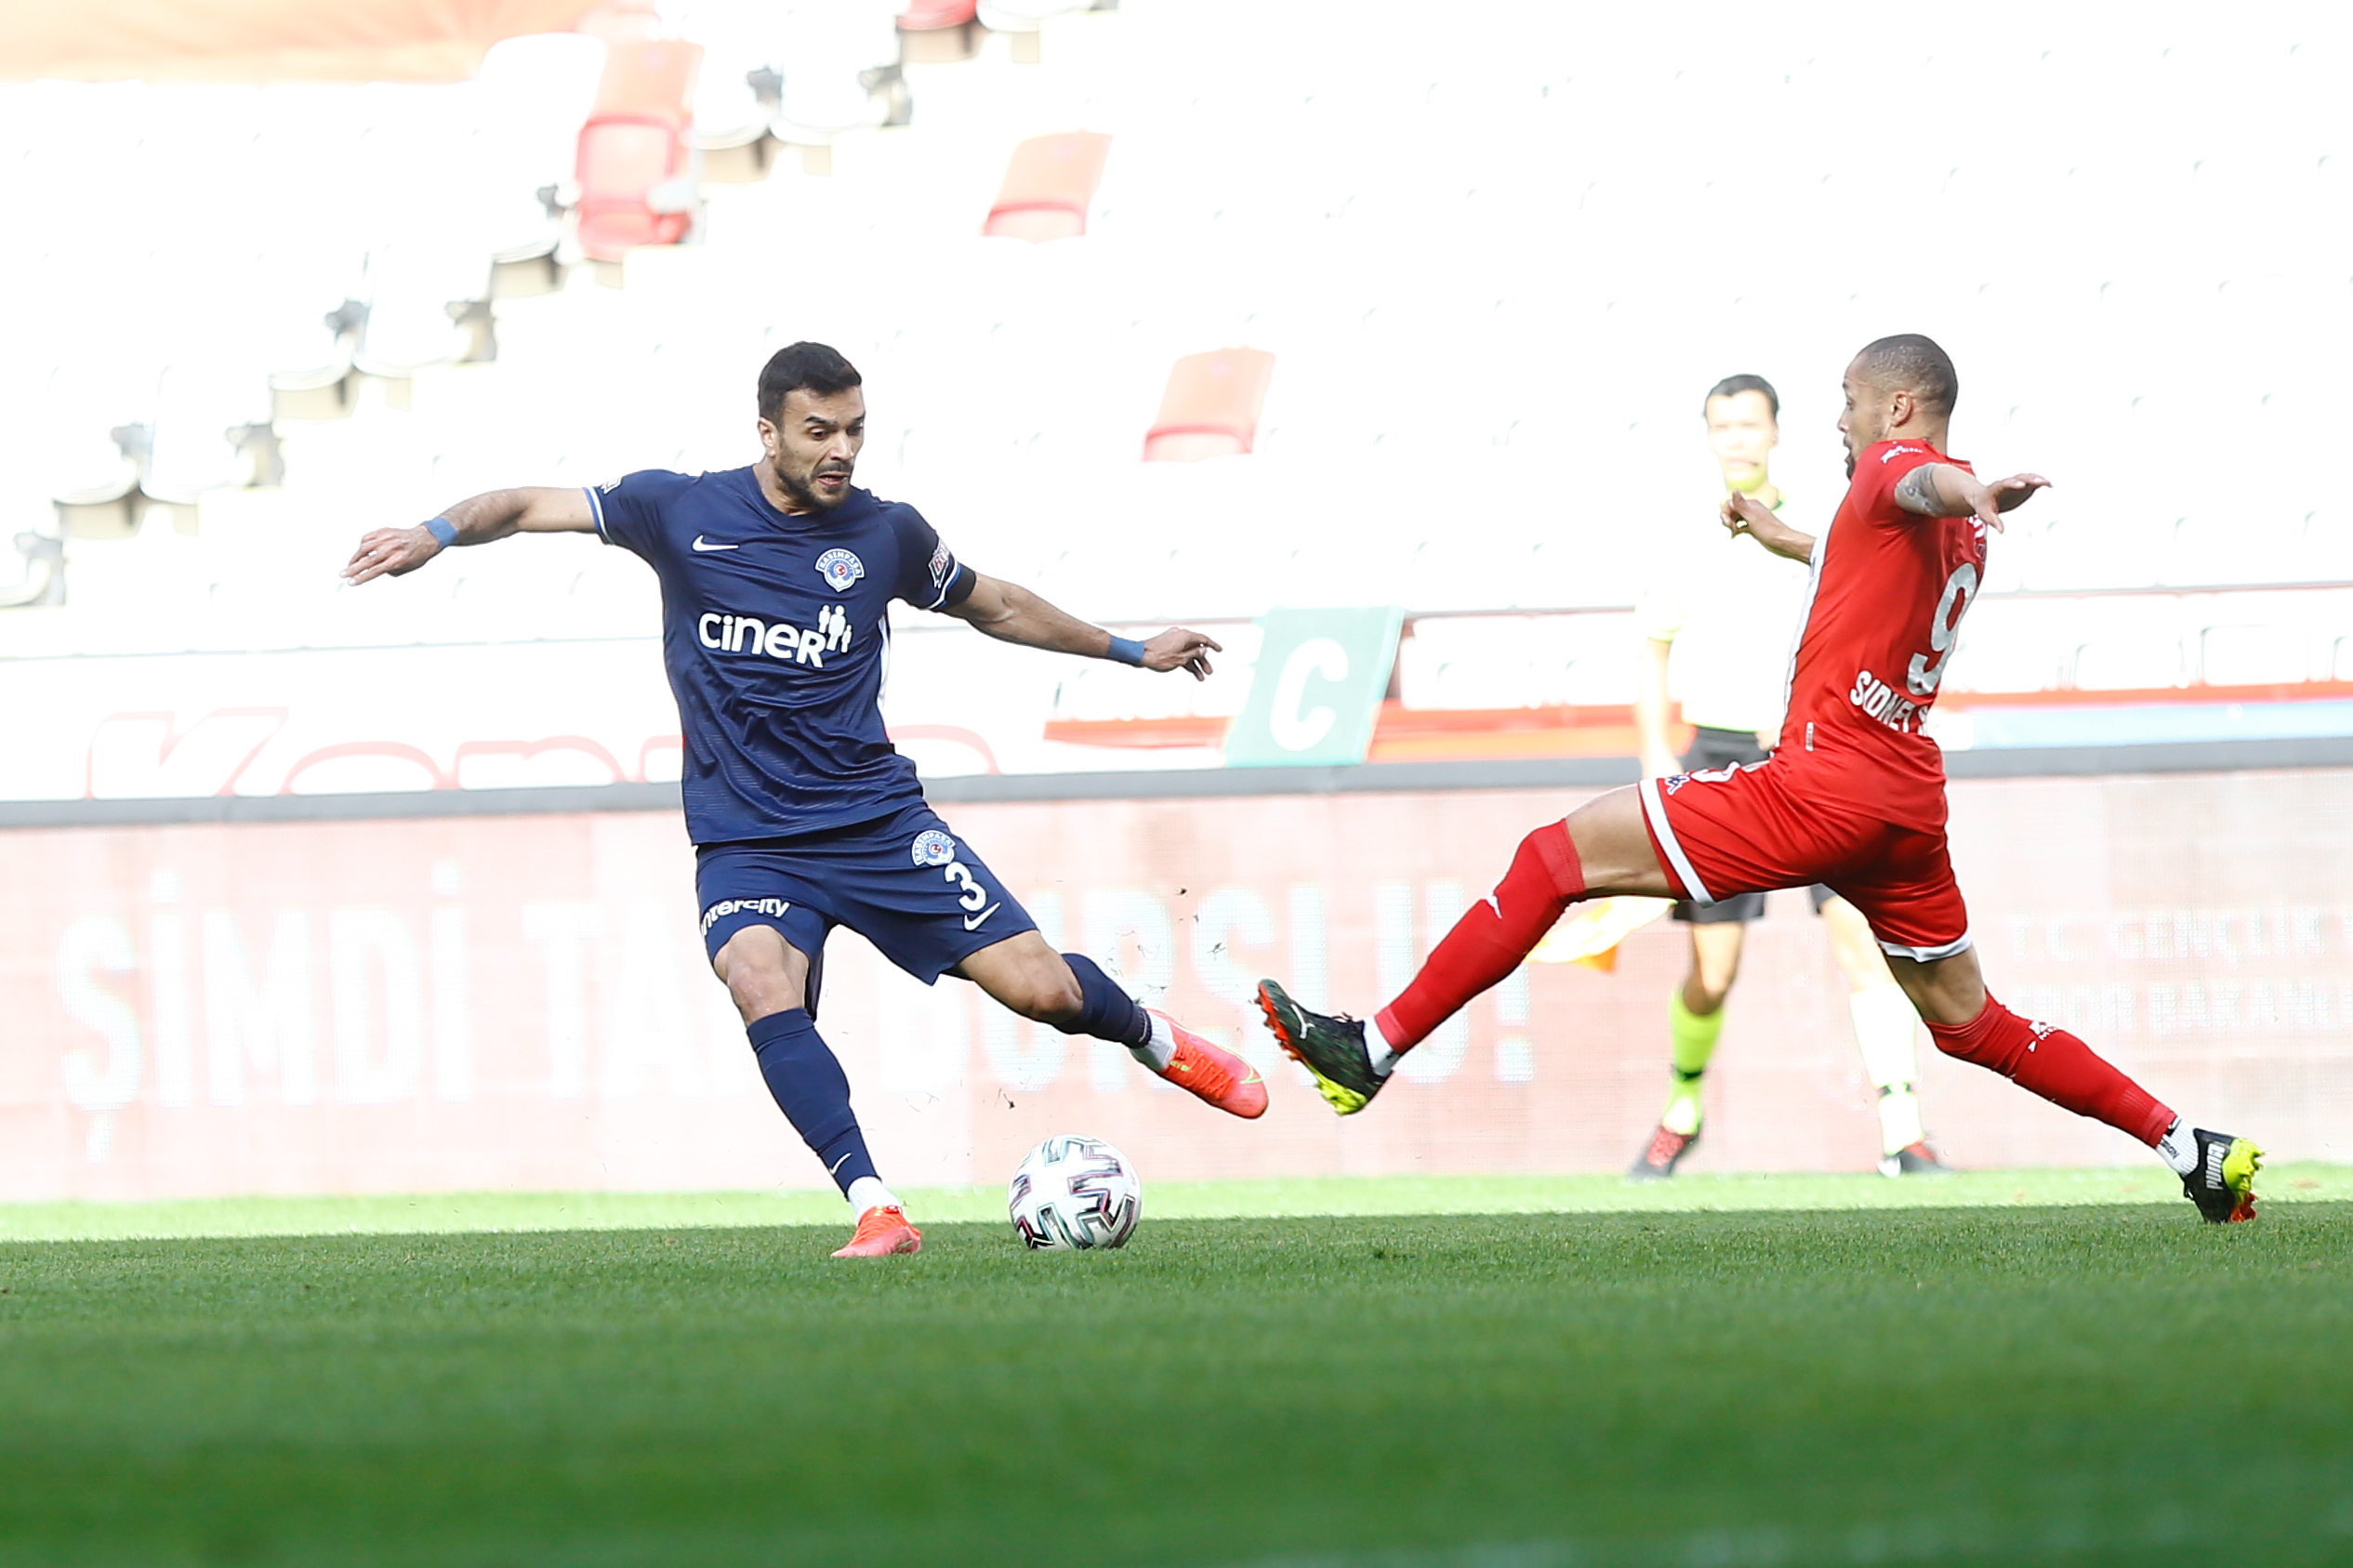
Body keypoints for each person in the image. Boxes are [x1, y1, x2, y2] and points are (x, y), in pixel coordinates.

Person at [1257, 335, 2263, 1222]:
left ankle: (1371, 1049)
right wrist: (1784, 537)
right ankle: (2190, 1147)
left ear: (1896, 407)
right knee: (1969, 1022)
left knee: (1552, 859)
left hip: (1818, 787)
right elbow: (1865, 549)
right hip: (1904, 803)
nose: (1838, 420)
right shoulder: (1944, 535)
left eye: (1847, 401)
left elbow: (1920, 482)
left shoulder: (1906, 475)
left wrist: (1974, 488)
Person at [343, 341, 1266, 1258]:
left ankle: (1156, 1039)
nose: (842, 450)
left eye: (854, 429)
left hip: (877, 824)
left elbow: (994, 604)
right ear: (767, 431)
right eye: (819, 430)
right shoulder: (679, 509)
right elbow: (522, 503)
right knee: (756, 979)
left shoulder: (887, 534)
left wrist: (1128, 650)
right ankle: (876, 1206)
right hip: (748, 840)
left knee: (1044, 990)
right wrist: (434, 532)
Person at [1629, 373, 1947, 1179]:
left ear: (1774, 432)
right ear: (1708, 437)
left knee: (1860, 941)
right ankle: (1681, 1108)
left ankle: (1903, 1133)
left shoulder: (1819, 523)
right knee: (1712, 971)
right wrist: (1656, 755)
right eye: (1722, 425)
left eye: (1749, 423)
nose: (1736, 438)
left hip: (1818, 751)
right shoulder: (1680, 536)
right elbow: (1651, 651)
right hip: (1717, 757)